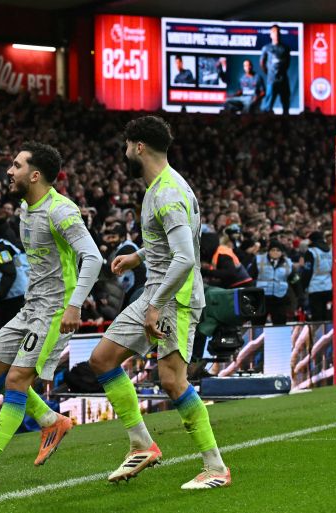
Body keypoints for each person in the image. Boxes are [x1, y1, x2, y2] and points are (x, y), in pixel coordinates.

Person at [0, 142, 103, 483]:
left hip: (55, 310)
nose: (9, 172)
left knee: (16, 380)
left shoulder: (61, 211)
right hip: (31, 306)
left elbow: (93, 257)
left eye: (16, 166)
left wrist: (74, 304)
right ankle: (50, 420)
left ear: (34, 174)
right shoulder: (26, 210)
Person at [88, 116, 230, 489]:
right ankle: (141, 443)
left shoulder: (167, 193)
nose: (123, 153)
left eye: (125, 146)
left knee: (172, 381)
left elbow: (185, 259)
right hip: (157, 292)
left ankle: (215, 467)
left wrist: (155, 305)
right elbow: (171, 248)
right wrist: (138, 257)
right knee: (102, 359)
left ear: (138, 147)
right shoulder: (158, 187)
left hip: (175, 299)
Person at [252, 241, 293, 325]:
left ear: (282, 252)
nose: (275, 252)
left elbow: (294, 279)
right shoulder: (259, 259)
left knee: (280, 325)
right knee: (257, 325)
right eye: (273, 250)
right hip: (261, 297)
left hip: (279, 297)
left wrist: (299, 296)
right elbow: (251, 277)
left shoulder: (288, 262)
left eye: (278, 250)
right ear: (268, 251)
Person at [260, 24, 292, 114]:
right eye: (274, 32)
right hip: (271, 80)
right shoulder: (266, 48)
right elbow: (262, 62)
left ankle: (286, 122)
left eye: (278, 32)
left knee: (285, 102)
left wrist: (282, 71)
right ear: (270, 34)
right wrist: (269, 73)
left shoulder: (285, 48)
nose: (276, 34)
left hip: (283, 79)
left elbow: (288, 62)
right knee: (268, 105)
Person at [302, 231, 332, 321]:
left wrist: (304, 286)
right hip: (328, 285)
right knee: (326, 312)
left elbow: (308, 271)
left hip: (315, 286)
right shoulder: (329, 250)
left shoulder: (311, 251)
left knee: (317, 313)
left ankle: (318, 333)